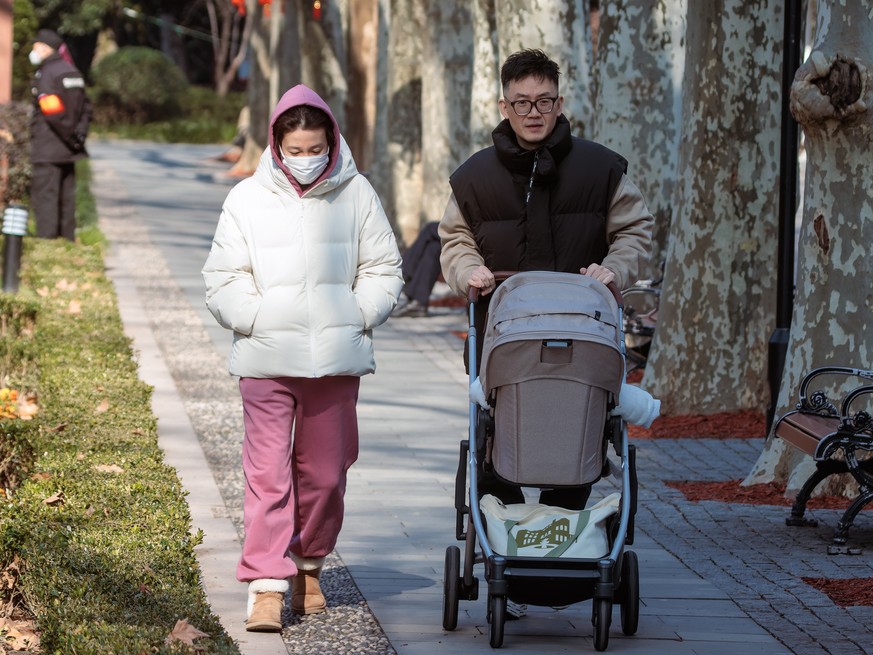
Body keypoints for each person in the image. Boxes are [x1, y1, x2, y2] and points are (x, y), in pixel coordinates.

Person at [202, 84, 403, 632]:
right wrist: (256, 318)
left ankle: (309, 563)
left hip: (334, 363)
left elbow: (386, 269)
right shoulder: (245, 198)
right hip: (266, 362)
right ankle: (266, 583)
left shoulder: (357, 193)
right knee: (267, 475)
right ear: (276, 143)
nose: (307, 159)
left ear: (332, 143)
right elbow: (222, 277)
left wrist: (356, 314)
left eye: (316, 148)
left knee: (326, 475)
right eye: (296, 149)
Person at [439, 49, 653, 513]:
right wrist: (467, 269)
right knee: (498, 433)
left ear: (559, 104)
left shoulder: (602, 169)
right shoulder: (473, 178)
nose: (533, 112)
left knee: (577, 433)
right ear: (504, 106)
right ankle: (505, 522)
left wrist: (614, 268)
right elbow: (454, 239)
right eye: (521, 102)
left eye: (543, 101)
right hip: (501, 334)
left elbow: (635, 231)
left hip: (582, 330)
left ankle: (566, 523)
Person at [28, 29, 91, 241]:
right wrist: (78, 136)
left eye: (35, 47)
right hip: (69, 149)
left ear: (46, 48)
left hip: (48, 147)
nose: (33, 51)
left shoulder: (47, 73)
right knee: (66, 199)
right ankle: (67, 242)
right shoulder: (72, 71)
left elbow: (51, 110)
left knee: (46, 198)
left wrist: (68, 134)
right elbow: (86, 109)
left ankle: (47, 244)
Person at [392, 221, 442, 317]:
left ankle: (403, 272)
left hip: (470, 234)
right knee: (434, 248)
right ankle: (418, 302)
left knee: (430, 228)